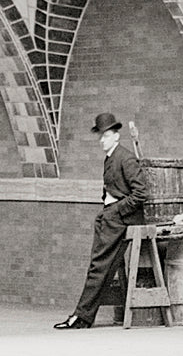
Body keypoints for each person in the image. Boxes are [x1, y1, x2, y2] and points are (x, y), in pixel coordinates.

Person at [54, 112, 147, 329]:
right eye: (100, 136)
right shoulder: (111, 158)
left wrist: (116, 211)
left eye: (105, 136)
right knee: (99, 266)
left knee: (98, 266)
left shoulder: (125, 158)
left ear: (116, 136)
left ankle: (81, 316)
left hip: (121, 219)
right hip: (110, 217)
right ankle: (83, 315)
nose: (101, 140)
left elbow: (140, 194)